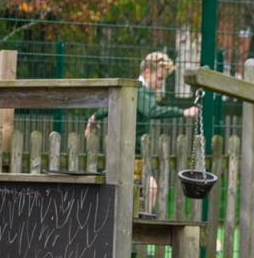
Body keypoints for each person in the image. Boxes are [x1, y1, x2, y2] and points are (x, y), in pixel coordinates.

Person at [85, 51, 198, 215]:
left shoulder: (132, 91)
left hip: (137, 155)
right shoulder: (140, 92)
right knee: (149, 189)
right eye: (160, 78)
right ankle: (137, 228)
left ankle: (135, 226)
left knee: (140, 192)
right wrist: (184, 112)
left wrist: (94, 117)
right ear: (146, 72)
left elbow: (111, 103)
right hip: (128, 155)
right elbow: (151, 111)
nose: (161, 83)